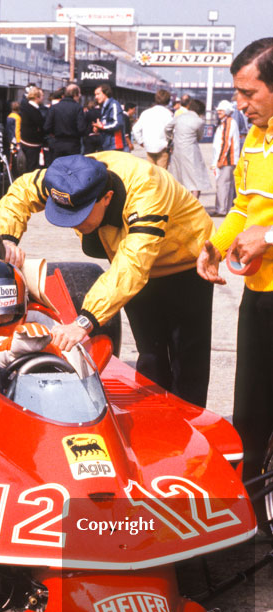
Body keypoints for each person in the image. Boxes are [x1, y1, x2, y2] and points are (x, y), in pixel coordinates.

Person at [0, 153, 215, 407]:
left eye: (80, 216)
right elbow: (21, 191)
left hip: (185, 260)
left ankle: (191, 430)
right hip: (133, 261)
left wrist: (84, 320)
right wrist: (7, 237)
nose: (72, 224)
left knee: (188, 361)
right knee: (150, 357)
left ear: (107, 198)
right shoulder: (68, 178)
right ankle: (156, 426)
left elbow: (132, 264)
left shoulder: (146, 189)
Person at [197, 37, 273, 483]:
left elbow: (261, 226)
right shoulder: (256, 139)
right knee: (249, 410)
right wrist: (215, 244)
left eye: (250, 93)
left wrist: (268, 237)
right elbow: (243, 207)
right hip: (259, 294)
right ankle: (249, 512)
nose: (239, 103)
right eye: (237, 93)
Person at [165, 99, 211, 199]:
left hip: (177, 150)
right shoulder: (199, 122)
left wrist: (171, 139)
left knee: (178, 176)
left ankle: (180, 202)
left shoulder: (179, 117)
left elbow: (167, 128)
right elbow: (199, 137)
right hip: (191, 150)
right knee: (196, 178)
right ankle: (194, 202)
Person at [210, 100, 240, 216]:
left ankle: (222, 210)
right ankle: (223, 208)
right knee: (225, 185)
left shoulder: (229, 123)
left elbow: (225, 143)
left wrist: (220, 161)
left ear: (227, 111)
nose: (219, 112)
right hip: (226, 160)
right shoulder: (225, 122)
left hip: (227, 160)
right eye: (218, 110)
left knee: (223, 185)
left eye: (221, 110)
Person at [44, 83, 87, 162]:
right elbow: (81, 129)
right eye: (79, 94)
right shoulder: (78, 108)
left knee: (58, 169)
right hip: (73, 144)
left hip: (57, 143)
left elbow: (47, 127)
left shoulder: (54, 108)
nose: (79, 96)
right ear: (75, 94)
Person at [132, 89, 173, 168]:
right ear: (168, 100)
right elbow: (172, 131)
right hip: (163, 148)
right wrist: (171, 144)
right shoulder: (168, 114)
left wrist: (141, 141)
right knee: (162, 174)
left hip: (149, 147)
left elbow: (135, 128)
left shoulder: (146, 113)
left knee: (152, 173)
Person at [92, 84, 127, 151]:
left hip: (115, 145)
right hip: (107, 145)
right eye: (95, 95)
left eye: (98, 94)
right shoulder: (104, 107)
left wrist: (102, 127)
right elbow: (107, 124)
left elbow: (117, 123)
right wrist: (99, 128)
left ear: (106, 93)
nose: (96, 97)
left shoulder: (113, 104)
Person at [19, 87, 45, 172]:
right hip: (32, 144)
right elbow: (41, 124)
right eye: (42, 96)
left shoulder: (25, 107)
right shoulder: (33, 110)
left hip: (24, 141)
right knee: (32, 168)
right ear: (37, 97)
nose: (43, 98)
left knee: (27, 166)